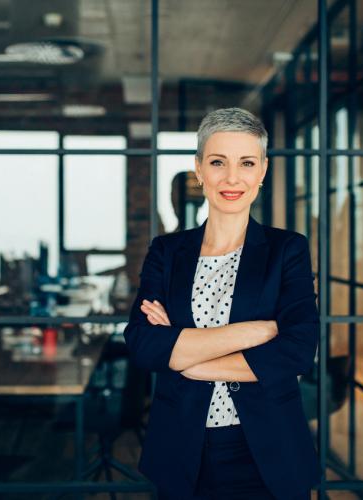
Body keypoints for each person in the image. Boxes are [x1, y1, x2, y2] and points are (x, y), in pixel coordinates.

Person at [123, 107, 322, 499]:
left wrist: (189, 360)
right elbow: (143, 344)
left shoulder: (287, 249)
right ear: (199, 169)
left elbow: (298, 351)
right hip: (182, 447)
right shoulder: (167, 252)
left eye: (246, 163)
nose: (232, 178)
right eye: (218, 162)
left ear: (262, 172)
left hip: (268, 450)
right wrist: (256, 332)